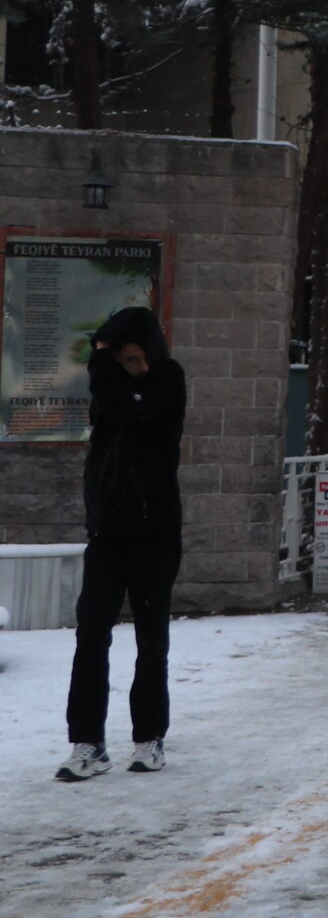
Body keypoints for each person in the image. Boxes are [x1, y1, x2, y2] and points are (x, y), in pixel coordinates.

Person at [58, 306, 187, 782]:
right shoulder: (110, 392)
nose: (135, 369)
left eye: (138, 358)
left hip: (155, 535)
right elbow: (114, 411)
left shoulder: (167, 379)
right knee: (91, 634)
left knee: (151, 638)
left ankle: (149, 737)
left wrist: (103, 363)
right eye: (124, 360)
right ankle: (88, 743)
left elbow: (131, 406)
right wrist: (106, 363)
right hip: (107, 536)